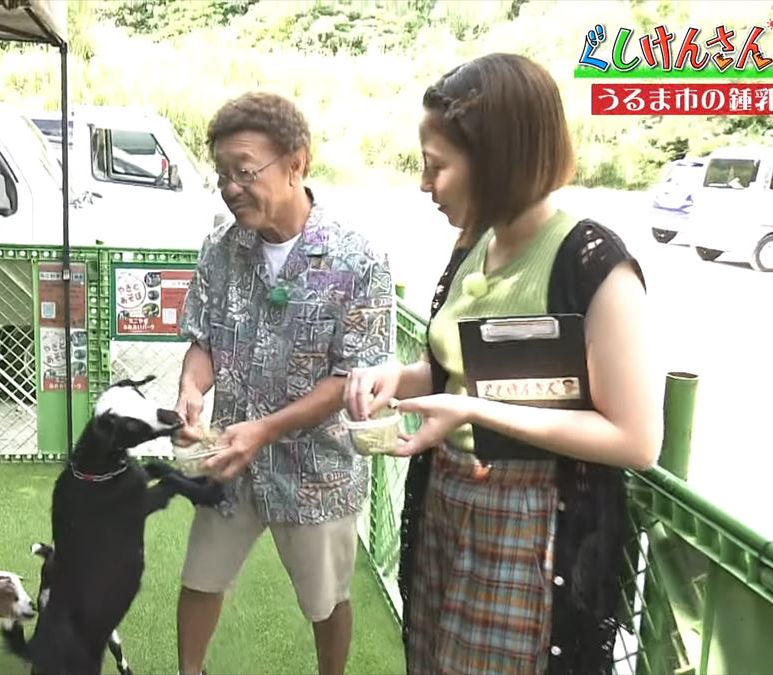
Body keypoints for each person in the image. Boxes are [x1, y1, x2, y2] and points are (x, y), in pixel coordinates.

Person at [344, 53, 663, 675]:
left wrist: (469, 409)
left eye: (436, 167)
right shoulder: (475, 244)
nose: (422, 184)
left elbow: (635, 439)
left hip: (531, 525)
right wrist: (398, 379)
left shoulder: (591, 262)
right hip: (448, 500)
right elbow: (455, 371)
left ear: (496, 161)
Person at [172, 91, 394, 675]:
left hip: (318, 470)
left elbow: (353, 375)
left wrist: (265, 430)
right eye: (221, 173)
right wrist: (191, 391)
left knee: (326, 602)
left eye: (244, 171)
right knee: (200, 578)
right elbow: (204, 339)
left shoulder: (358, 260)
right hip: (230, 457)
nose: (230, 187)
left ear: (297, 163)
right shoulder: (221, 250)